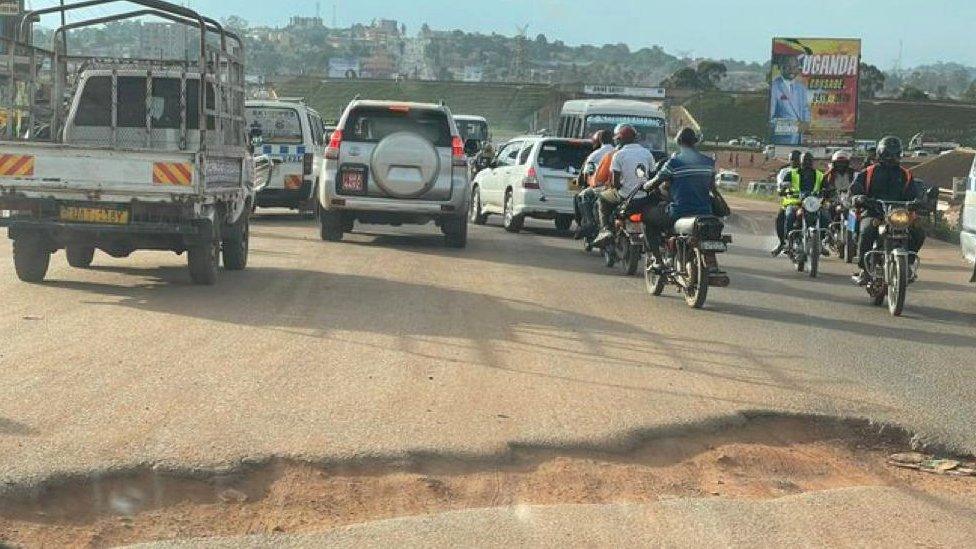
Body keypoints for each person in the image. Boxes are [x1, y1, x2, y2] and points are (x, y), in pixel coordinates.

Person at [848, 136, 926, 286]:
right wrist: (859, 198)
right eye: (888, 154)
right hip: (874, 213)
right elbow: (855, 189)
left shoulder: (906, 174)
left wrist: (918, 201)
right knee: (867, 231)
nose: (892, 158)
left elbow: (913, 194)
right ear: (880, 154)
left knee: (918, 232)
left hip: (899, 215)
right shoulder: (869, 172)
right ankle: (864, 269)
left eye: (896, 154)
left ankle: (907, 264)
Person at [641, 127, 717, 268]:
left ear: (678, 141)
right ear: (695, 142)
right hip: (705, 211)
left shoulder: (674, 163)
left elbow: (655, 182)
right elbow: (712, 187)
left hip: (679, 211)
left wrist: (645, 185)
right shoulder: (709, 162)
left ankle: (658, 260)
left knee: (647, 218)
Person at [592, 124, 654, 246]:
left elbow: (615, 183)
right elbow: (652, 176)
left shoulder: (618, 155)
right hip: (643, 197)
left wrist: (621, 186)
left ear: (620, 140)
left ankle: (605, 230)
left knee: (602, 198)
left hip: (624, 196)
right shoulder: (647, 153)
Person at [574, 130, 615, 239]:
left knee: (583, 195)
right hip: (617, 188)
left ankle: (590, 222)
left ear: (599, 141)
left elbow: (585, 174)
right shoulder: (617, 151)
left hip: (602, 186)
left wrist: (583, 181)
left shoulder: (595, 155)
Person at [780, 152, 827, 251]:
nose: (807, 162)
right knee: (789, 215)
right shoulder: (792, 173)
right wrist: (784, 187)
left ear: (812, 162)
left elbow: (826, 186)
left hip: (813, 203)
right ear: (800, 161)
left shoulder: (819, 174)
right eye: (805, 160)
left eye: (809, 160)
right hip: (796, 203)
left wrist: (828, 191)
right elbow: (783, 185)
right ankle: (789, 242)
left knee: (825, 215)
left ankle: (822, 241)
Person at [769, 54, 811, 145]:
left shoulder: (801, 88)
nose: (792, 70)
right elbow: (770, 121)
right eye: (788, 67)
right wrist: (794, 127)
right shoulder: (774, 88)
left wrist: (806, 123)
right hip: (781, 143)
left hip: (800, 142)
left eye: (795, 67)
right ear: (780, 67)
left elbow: (805, 109)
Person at [770, 150, 802, 256]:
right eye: (792, 159)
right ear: (789, 160)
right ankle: (783, 242)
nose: (795, 161)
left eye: (797, 159)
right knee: (780, 219)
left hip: (807, 203)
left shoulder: (808, 171)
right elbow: (780, 184)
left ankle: (819, 242)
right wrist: (781, 189)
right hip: (790, 202)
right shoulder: (785, 171)